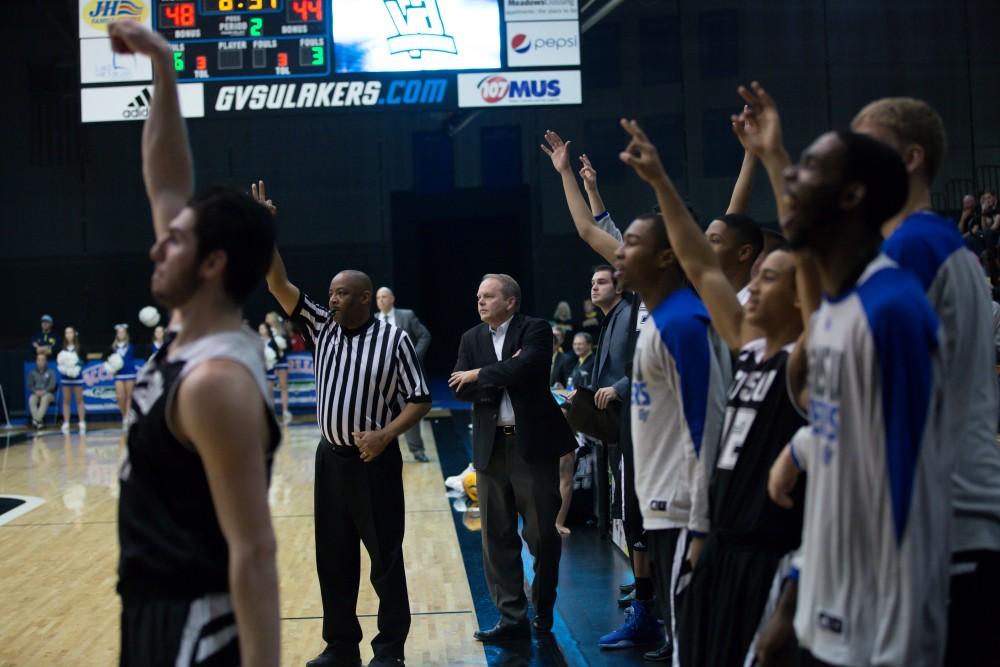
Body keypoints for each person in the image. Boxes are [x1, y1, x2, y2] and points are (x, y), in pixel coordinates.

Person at [747, 83, 947, 666]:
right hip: (823, 607)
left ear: (852, 196)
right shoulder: (836, 310)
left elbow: (906, 491)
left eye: (808, 168)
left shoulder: (892, 311)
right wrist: (794, 602)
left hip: (881, 629)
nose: (789, 180)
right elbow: (840, 465)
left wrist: (898, 646)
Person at [108, 19, 280, 667]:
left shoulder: (216, 382)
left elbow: (255, 552)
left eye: (174, 240)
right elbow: (168, 182)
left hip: (198, 630)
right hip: (154, 611)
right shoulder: (191, 327)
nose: (157, 243)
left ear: (212, 264)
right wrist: (163, 66)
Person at [621, 116, 816, 666]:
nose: (754, 287)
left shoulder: (805, 362)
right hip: (724, 542)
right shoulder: (748, 345)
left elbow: (814, 264)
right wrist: (660, 182)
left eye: (772, 278)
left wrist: (776, 161)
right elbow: (703, 268)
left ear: (802, 299)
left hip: (772, 550)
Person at [852, 96, 1000, 666]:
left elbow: (856, 378)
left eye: (868, 145)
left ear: (911, 158)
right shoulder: (940, 242)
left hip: (944, 517)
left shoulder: (912, 245)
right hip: (954, 511)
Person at [260, 182, 431, 667]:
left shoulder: (394, 339)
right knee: (332, 561)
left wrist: (385, 435)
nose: (330, 298)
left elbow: (419, 399)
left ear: (361, 298)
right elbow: (278, 283)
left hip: (373, 461)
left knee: (385, 560)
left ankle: (390, 651)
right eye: (330, 292)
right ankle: (340, 647)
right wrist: (266, 230)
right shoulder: (320, 326)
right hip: (329, 459)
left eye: (339, 293)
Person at [449, 273, 576, 641]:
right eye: (478, 296)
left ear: (511, 301)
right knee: (496, 537)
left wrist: (479, 375)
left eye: (488, 296)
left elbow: (529, 368)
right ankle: (511, 618)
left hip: (532, 446)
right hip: (491, 448)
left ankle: (543, 606)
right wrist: (499, 373)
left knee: (541, 535)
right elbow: (458, 389)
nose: (480, 302)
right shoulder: (470, 338)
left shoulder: (535, 330)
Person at [375, 287, 432, 462]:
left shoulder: (406, 316)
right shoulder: (373, 320)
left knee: (410, 411)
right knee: (380, 413)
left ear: (392, 299)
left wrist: (413, 356)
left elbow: (425, 335)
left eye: (384, 297)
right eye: (378, 298)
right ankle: (380, 448)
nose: (381, 300)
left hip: (405, 374)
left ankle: (417, 450)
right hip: (382, 375)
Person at [555, 331, 596, 536]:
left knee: (564, 473)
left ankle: (557, 520)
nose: (578, 347)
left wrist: (559, 523)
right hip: (559, 429)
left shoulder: (590, 364)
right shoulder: (576, 364)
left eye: (582, 343)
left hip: (573, 429)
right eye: (576, 343)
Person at [58, 326, 86, 434]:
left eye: (70, 332)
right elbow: (59, 362)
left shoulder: (79, 348)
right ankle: (66, 422)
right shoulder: (62, 348)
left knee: (79, 399)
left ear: (74, 334)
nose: (69, 334)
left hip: (77, 377)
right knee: (66, 400)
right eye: (66, 332)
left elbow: (84, 360)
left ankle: (82, 422)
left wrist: (77, 367)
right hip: (66, 378)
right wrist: (65, 369)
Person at [264, 311, 292, 424]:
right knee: (269, 388)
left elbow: (287, 346)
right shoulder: (266, 331)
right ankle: (271, 413)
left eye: (268, 317)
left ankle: (285, 411)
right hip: (270, 363)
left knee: (283, 386)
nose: (266, 320)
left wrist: (280, 349)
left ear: (273, 319)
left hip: (281, 361)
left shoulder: (281, 331)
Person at [110, 324, 136, 432]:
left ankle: (128, 418)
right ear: (117, 334)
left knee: (129, 396)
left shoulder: (131, 345)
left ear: (126, 333)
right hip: (119, 374)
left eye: (123, 332)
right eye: (119, 332)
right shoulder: (113, 347)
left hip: (130, 373)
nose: (121, 334)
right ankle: (124, 415)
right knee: (120, 396)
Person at [27, 352, 57, 429]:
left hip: (48, 394)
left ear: (46, 361)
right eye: (39, 360)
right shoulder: (32, 372)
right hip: (36, 393)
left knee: (45, 398)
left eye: (43, 360)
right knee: (31, 399)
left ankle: (36, 420)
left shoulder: (50, 372)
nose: (41, 362)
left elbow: (52, 385)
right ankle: (39, 423)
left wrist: (45, 391)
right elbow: (30, 385)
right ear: (36, 361)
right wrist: (35, 391)